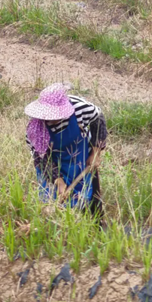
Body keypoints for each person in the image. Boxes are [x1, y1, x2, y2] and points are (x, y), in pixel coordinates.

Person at [25, 83, 107, 216]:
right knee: (52, 205)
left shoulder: (81, 108)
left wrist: (95, 153)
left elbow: (98, 121)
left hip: (80, 158)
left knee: (91, 198)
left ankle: (95, 227)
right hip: (52, 162)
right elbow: (41, 159)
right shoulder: (35, 128)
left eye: (55, 116)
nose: (51, 120)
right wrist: (58, 180)